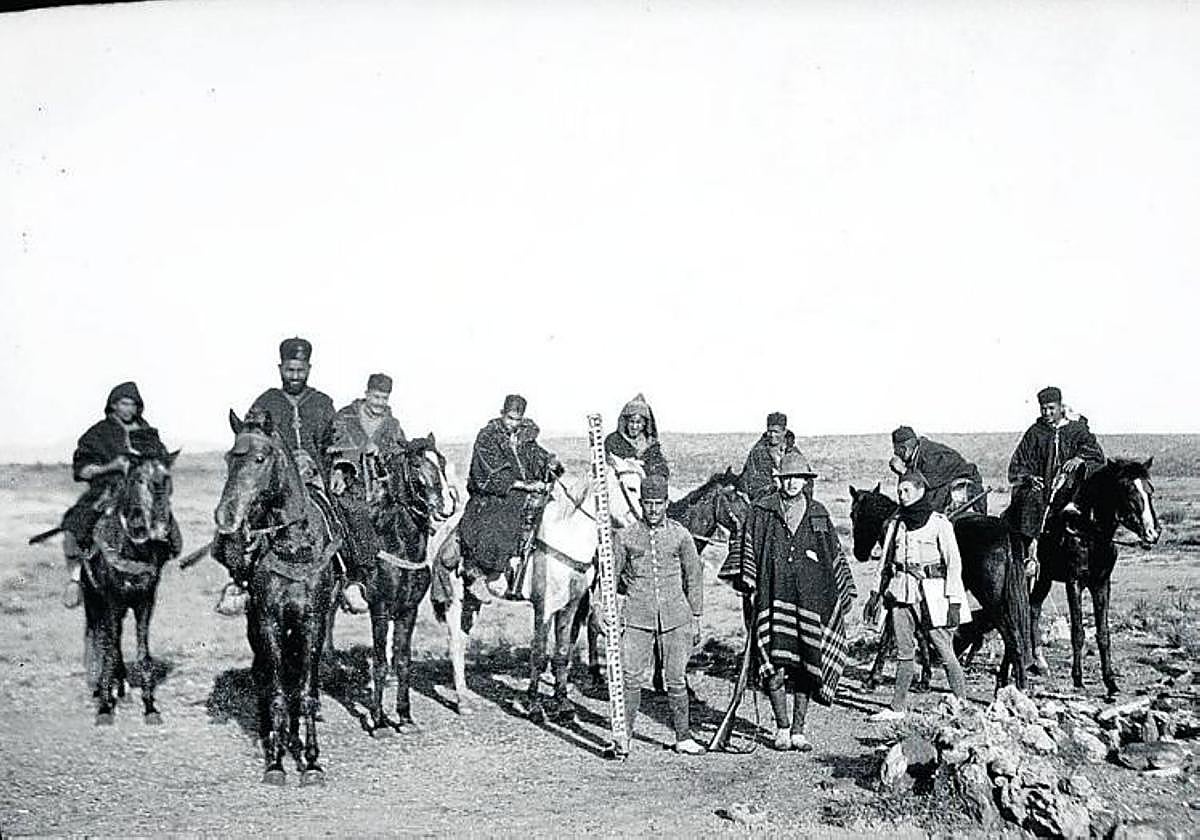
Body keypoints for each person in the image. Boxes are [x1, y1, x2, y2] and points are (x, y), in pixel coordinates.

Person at [213, 337, 360, 614]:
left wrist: (339, 466)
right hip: (275, 484)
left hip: (315, 480)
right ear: (280, 368)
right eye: (290, 370)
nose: (295, 376)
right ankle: (239, 583)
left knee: (350, 514)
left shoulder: (322, 402)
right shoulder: (266, 402)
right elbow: (250, 437)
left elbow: (337, 437)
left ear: (309, 368)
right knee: (240, 519)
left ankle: (350, 579)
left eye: (300, 370)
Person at [726, 450, 856, 750]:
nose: (792, 484)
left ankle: (799, 730)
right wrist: (748, 578)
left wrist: (839, 590)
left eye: (798, 478)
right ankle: (782, 728)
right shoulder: (761, 511)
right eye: (787, 478)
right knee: (774, 663)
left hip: (811, 602)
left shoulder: (819, 512)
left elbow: (832, 555)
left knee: (805, 664)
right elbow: (745, 547)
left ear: (805, 481)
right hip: (773, 595)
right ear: (779, 480)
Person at [60, 382, 182, 608]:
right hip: (108, 488)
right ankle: (75, 579)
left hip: (143, 491)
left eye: (133, 405)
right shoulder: (98, 434)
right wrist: (112, 466)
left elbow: (161, 463)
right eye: (124, 403)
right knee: (74, 526)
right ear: (113, 405)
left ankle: (159, 566)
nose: (129, 409)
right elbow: (83, 470)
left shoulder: (148, 433)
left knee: (169, 532)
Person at [611, 473, 705, 756]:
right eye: (647, 503)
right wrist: (603, 607)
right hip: (637, 617)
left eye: (658, 503)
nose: (653, 509)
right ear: (640, 503)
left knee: (675, 678)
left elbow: (694, 576)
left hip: (676, 618)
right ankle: (623, 736)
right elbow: (611, 575)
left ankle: (684, 737)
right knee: (629, 676)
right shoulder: (625, 536)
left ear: (666, 503)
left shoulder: (680, 535)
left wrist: (696, 617)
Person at [865, 470, 968, 722]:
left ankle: (961, 704)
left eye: (907, 491)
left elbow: (954, 564)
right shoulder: (896, 524)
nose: (902, 495)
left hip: (932, 594)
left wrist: (954, 600)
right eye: (899, 491)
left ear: (920, 491)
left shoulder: (939, 523)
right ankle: (897, 707)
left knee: (944, 651)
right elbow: (885, 561)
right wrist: (875, 594)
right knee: (903, 652)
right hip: (900, 592)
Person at [457, 395, 562, 603]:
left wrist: (549, 464)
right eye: (510, 418)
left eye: (518, 419)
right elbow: (489, 471)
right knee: (500, 517)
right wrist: (525, 485)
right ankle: (486, 572)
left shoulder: (524, 438)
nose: (513, 424)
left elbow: (536, 456)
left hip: (523, 493)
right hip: (492, 495)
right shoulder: (487, 437)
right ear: (502, 414)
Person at [325, 373, 408, 611]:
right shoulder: (345, 417)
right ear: (367, 393)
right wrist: (343, 467)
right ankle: (355, 579)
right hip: (351, 490)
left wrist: (381, 453)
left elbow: (399, 455)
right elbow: (335, 447)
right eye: (376, 397)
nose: (380, 403)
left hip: (382, 493)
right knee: (352, 520)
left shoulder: (393, 425)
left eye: (384, 398)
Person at [1007, 386, 1105, 563]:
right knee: (1030, 501)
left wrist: (1079, 458)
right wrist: (1029, 477)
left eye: (1051, 408)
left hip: (1071, 486)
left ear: (1061, 407)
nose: (1047, 412)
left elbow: (1097, 455)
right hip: (1042, 487)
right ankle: (1030, 554)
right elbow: (1018, 462)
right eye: (1044, 409)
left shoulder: (1077, 429)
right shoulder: (1035, 432)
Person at [889, 426, 986, 515]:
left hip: (965, 491)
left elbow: (924, 485)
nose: (895, 453)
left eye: (896, 449)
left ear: (904, 449)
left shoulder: (931, 455)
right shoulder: (917, 454)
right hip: (946, 490)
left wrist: (904, 471)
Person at [604, 393, 669, 479]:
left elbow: (661, 468)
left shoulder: (650, 444)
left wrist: (643, 468)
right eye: (631, 422)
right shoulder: (613, 441)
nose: (634, 426)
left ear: (644, 424)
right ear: (626, 422)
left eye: (638, 422)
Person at [738, 412, 798, 501]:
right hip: (766, 498)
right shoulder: (758, 451)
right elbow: (750, 479)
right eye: (770, 431)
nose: (772, 435)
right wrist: (773, 485)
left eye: (776, 432)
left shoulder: (793, 451)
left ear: (784, 432)